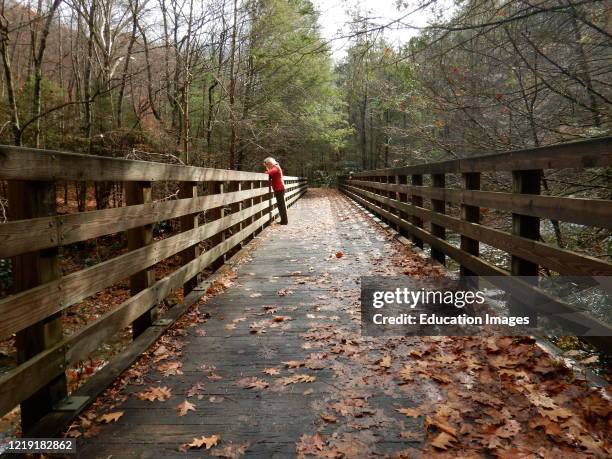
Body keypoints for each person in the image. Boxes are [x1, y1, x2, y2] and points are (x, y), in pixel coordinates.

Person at [263, 157, 288, 225]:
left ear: (270, 163)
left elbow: (268, 173)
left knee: (281, 205)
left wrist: (267, 170)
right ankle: (283, 220)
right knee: (281, 205)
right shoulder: (276, 167)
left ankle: (284, 221)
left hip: (279, 188)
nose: (267, 166)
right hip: (279, 188)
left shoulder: (275, 167)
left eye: (267, 165)